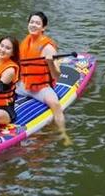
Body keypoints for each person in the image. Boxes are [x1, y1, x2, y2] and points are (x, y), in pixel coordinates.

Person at [17, 11, 71, 145]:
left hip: (41, 88)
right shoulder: (25, 42)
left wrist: (50, 63)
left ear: (43, 27)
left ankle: (63, 133)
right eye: (31, 22)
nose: (33, 25)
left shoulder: (48, 48)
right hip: (24, 85)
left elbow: (56, 76)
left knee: (56, 105)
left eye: (37, 23)